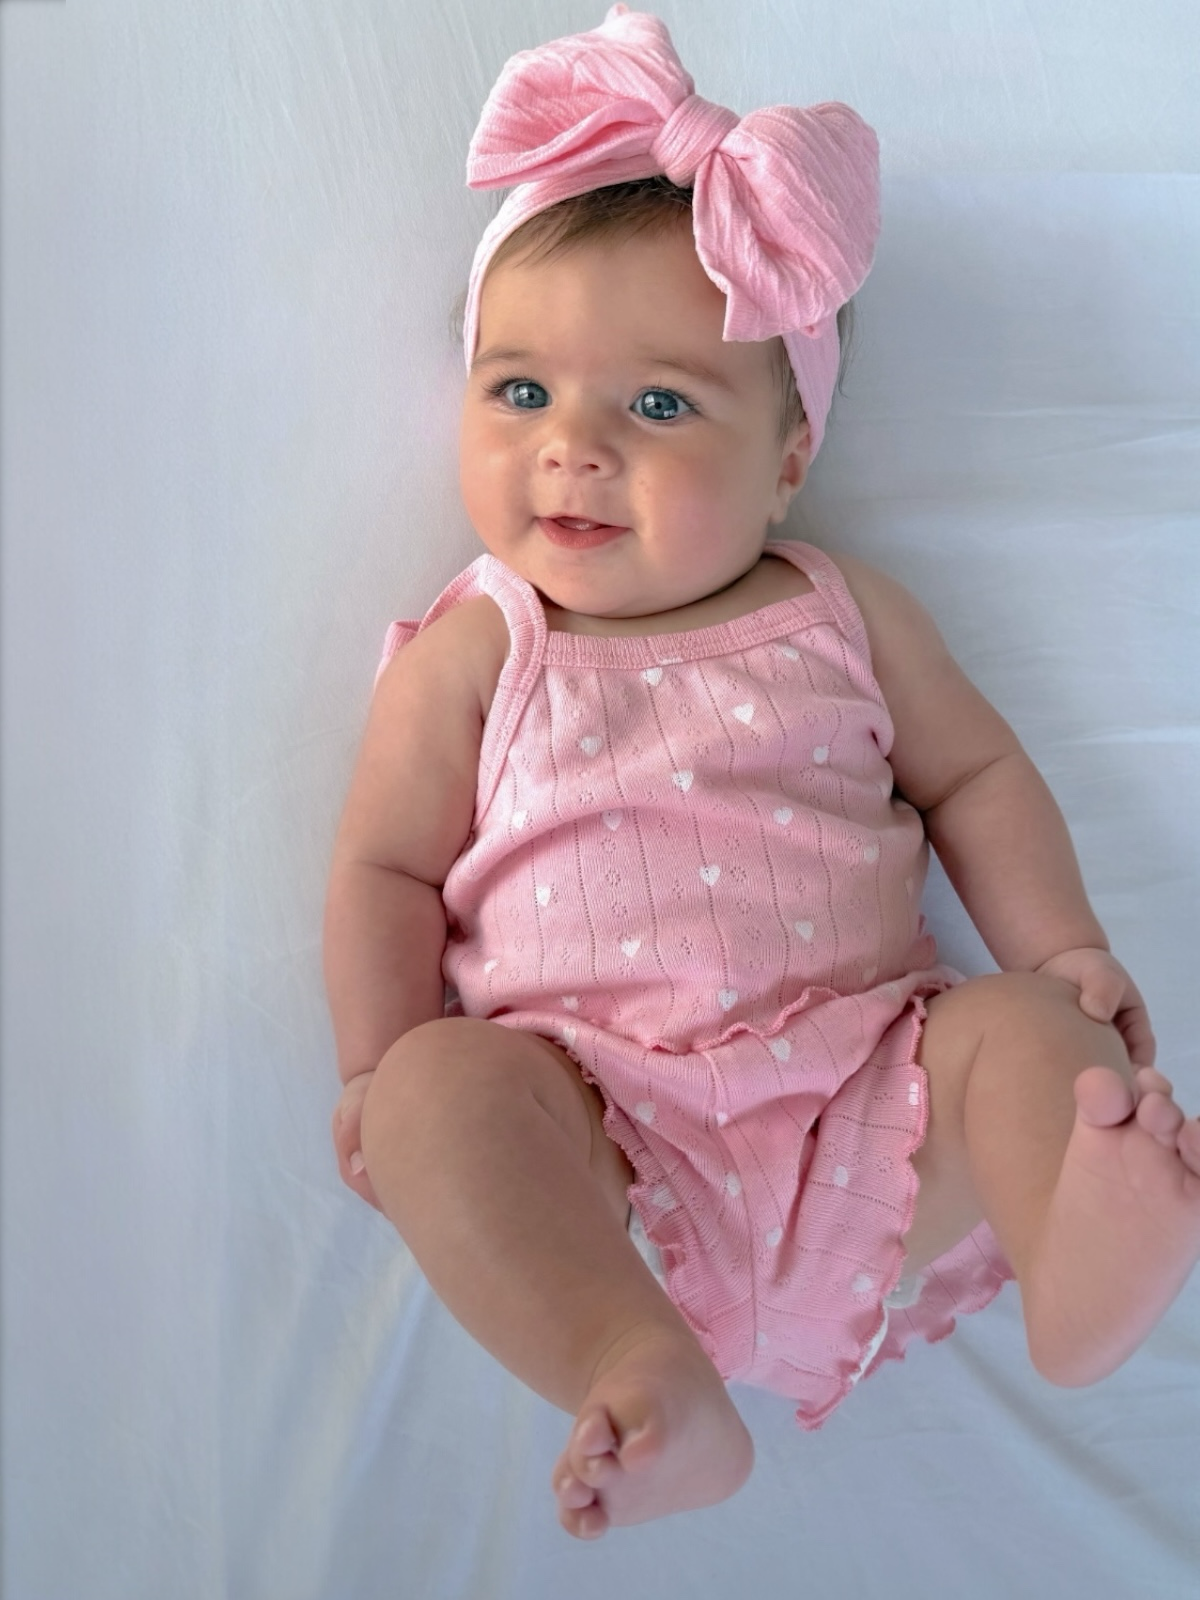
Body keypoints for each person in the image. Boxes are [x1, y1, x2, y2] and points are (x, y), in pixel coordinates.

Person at [322, 5, 1200, 1542]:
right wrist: (377, 1063)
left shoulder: (842, 612)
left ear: (789, 458)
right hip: (597, 1135)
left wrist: (1061, 948)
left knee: (1026, 1033)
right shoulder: (485, 643)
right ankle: (629, 1356)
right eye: (518, 391)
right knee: (439, 1090)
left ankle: (1085, 1259)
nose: (571, 449)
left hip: (874, 1097)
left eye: (658, 404)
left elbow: (979, 775)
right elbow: (385, 868)